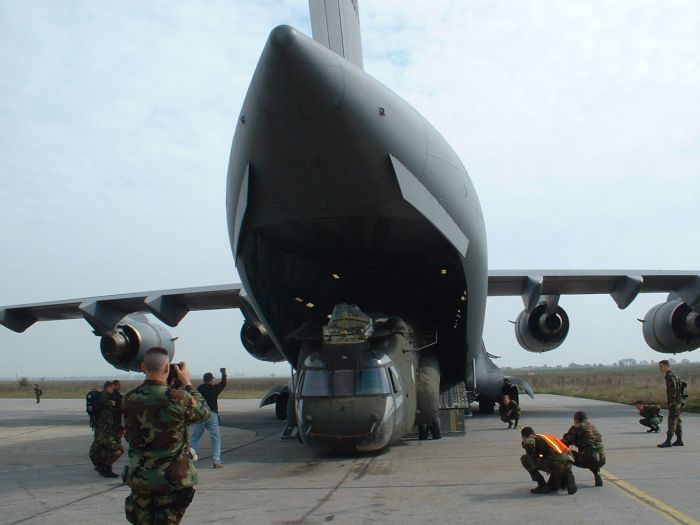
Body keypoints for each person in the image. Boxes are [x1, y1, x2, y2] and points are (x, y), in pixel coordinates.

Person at [123, 349, 211, 525]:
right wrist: (187, 383)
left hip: (141, 478)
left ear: (142, 367)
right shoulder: (179, 398)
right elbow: (204, 413)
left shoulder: (129, 399)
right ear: (166, 368)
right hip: (171, 480)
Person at [520, 426, 577, 494]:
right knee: (552, 486)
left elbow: (530, 447)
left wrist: (526, 446)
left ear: (524, 437)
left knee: (524, 459)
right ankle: (567, 476)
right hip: (568, 462)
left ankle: (541, 484)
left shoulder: (531, 438)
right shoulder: (546, 436)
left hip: (556, 463)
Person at [190, 368, 227, 468]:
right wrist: (224, 374)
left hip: (201, 414)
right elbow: (223, 384)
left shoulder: (200, 389)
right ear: (211, 380)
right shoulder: (214, 389)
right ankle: (216, 461)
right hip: (212, 415)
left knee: (195, 437)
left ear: (204, 379)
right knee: (216, 438)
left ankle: (189, 460)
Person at [561, 411, 605, 487]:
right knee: (591, 454)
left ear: (576, 420)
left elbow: (565, 441)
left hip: (587, 459)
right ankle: (596, 474)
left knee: (564, 453)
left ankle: (567, 478)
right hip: (601, 459)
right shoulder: (593, 427)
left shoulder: (576, 427)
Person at [658, 360, 684, 448]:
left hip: (675, 402)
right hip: (679, 401)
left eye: (661, 366)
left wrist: (671, 402)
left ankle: (668, 441)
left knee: (672, 421)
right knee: (678, 420)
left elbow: (673, 390)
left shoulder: (669, 376)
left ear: (666, 366)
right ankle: (679, 440)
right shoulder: (674, 374)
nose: (660, 368)